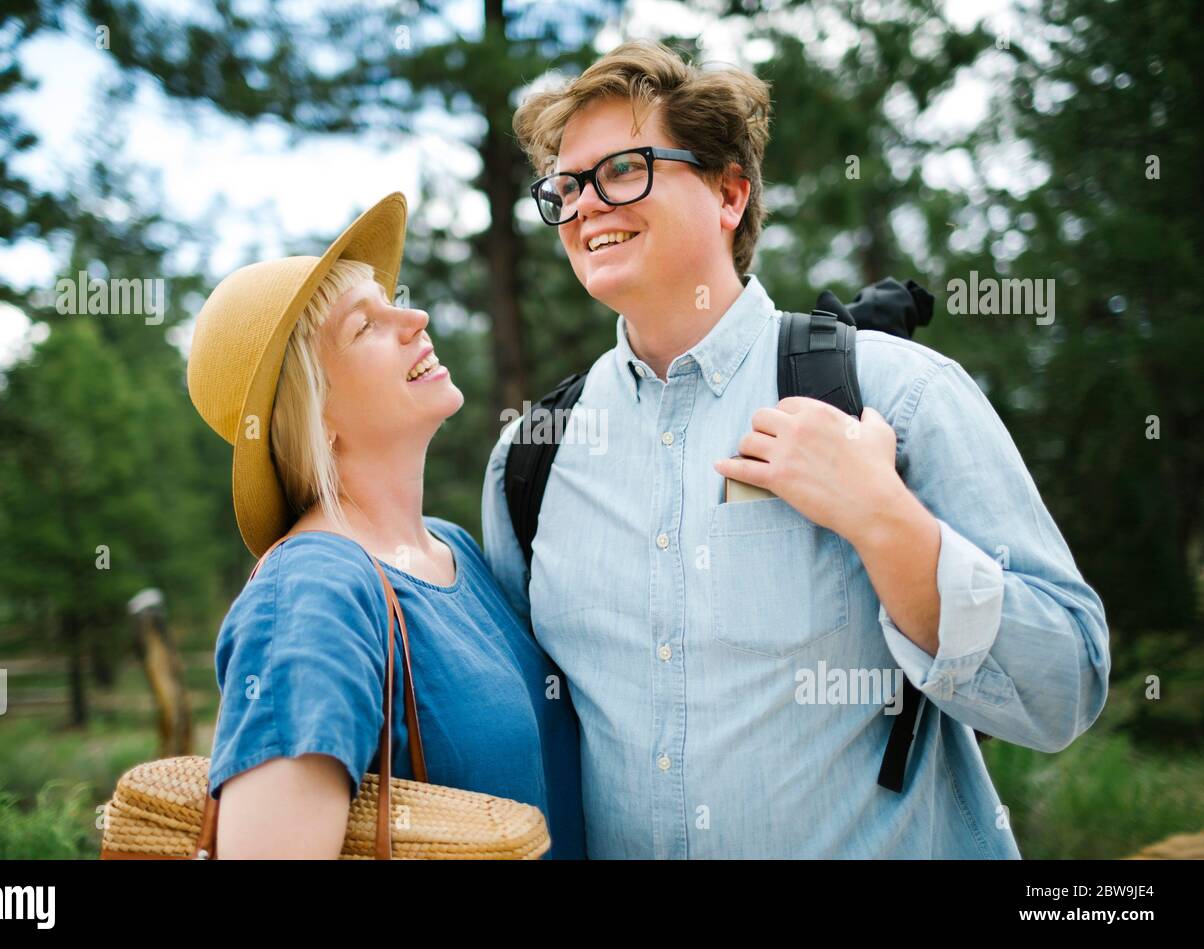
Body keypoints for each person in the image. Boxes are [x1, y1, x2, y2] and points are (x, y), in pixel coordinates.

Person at [480, 40, 1110, 858]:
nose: (587, 205)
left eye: (625, 169)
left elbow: (1064, 686)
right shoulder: (531, 458)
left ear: (729, 193)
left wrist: (887, 523)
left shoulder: (899, 392)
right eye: (565, 188)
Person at [186, 192, 585, 859]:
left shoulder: (450, 546)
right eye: (363, 325)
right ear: (314, 411)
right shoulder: (314, 590)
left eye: (392, 297)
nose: (415, 317)